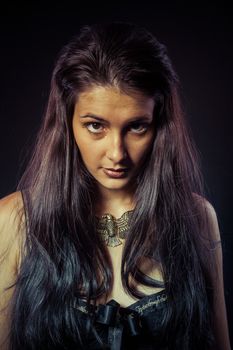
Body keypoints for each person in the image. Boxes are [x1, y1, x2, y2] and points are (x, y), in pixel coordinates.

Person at [0, 22, 230, 350]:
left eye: (137, 127)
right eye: (95, 126)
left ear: (159, 126)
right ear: (67, 124)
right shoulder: (13, 220)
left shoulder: (197, 216)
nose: (117, 153)